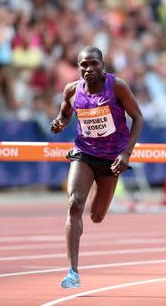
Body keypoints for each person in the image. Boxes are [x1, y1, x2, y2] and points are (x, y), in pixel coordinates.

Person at [50, 46, 144, 288]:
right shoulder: (72, 90)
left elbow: (138, 117)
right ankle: (72, 271)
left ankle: (94, 190)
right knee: (74, 203)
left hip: (112, 158)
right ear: (78, 67)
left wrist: (126, 153)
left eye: (94, 64)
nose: (89, 69)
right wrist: (60, 123)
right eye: (84, 65)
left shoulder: (117, 86)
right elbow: (65, 114)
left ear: (103, 66)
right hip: (84, 152)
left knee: (97, 215)